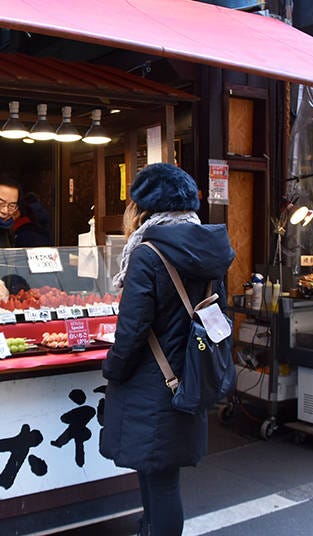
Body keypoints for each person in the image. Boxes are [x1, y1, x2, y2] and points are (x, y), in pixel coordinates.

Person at [99, 163, 234, 536]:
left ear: (145, 208)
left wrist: (113, 368)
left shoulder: (148, 253)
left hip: (151, 382)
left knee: (160, 480)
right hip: (189, 375)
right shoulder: (208, 249)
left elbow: (132, 329)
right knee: (158, 472)